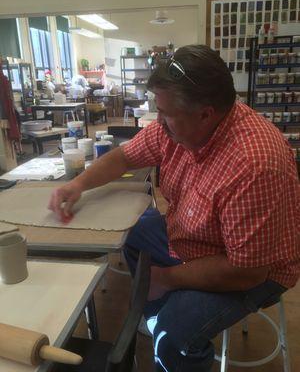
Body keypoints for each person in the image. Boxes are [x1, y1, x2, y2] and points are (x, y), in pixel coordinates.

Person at [48, 45, 300, 372]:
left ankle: (164, 325)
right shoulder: (179, 125)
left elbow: (247, 271)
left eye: (165, 113)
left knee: (172, 334)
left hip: (255, 270)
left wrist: (166, 278)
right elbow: (125, 157)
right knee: (135, 230)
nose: (159, 122)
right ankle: (156, 311)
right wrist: (76, 185)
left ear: (206, 114)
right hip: (197, 238)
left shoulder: (254, 164)